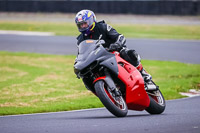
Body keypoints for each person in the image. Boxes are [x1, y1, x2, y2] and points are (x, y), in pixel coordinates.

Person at [75, 9, 152, 82]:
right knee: (85, 74)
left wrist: (116, 44)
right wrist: (77, 63)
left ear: (92, 20)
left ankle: (142, 72)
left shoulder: (103, 27)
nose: (83, 27)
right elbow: (81, 54)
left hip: (113, 51)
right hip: (97, 57)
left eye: (85, 23)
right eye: (80, 25)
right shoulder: (80, 39)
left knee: (128, 53)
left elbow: (119, 37)